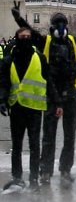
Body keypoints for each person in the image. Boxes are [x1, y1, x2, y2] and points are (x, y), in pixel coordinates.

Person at [11, 3, 76, 184]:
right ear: (53, 27)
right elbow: (30, 32)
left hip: (70, 93)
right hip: (53, 95)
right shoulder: (46, 42)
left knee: (69, 136)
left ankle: (65, 169)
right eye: (58, 23)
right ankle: (46, 171)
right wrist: (18, 18)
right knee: (49, 136)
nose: (61, 26)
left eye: (63, 23)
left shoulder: (73, 42)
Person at [0, 27, 56, 191]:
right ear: (17, 37)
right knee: (16, 145)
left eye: (28, 36)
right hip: (16, 107)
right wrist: (2, 100)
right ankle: (17, 177)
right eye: (22, 36)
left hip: (34, 108)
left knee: (34, 145)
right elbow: (3, 82)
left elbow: (48, 80)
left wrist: (57, 102)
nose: (25, 39)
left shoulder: (40, 58)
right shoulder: (9, 59)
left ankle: (33, 178)